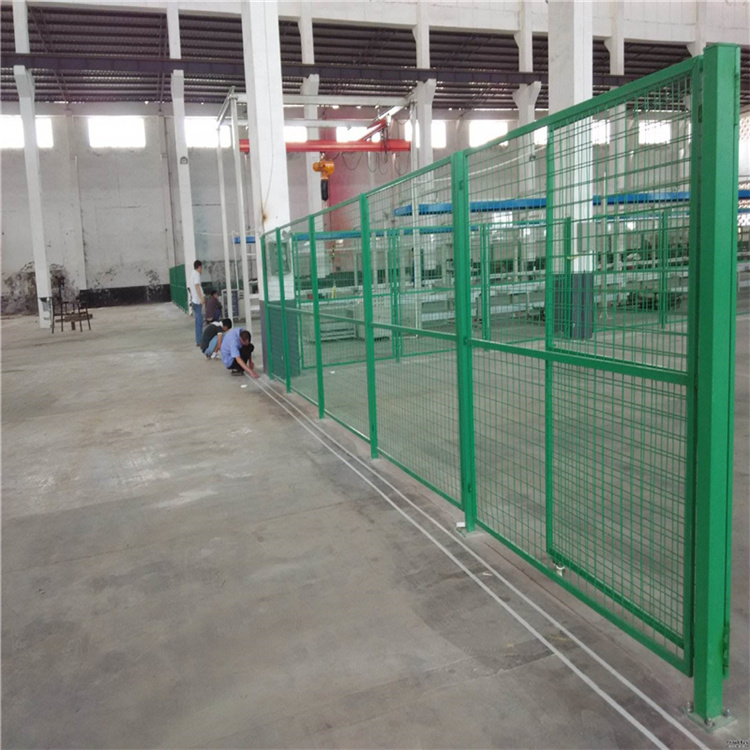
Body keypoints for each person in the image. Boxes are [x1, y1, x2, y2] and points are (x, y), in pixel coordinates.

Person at [189, 260, 204, 346]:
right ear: (199, 267)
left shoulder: (193, 274)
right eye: (201, 268)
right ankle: (199, 340)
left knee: (198, 322)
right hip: (197, 302)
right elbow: (197, 287)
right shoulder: (196, 274)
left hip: (194, 301)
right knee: (199, 322)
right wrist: (201, 298)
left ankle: (199, 339)